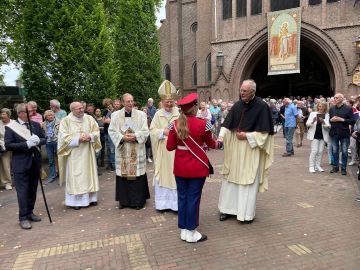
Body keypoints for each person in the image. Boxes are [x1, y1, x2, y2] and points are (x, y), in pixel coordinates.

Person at [217, 79, 274, 224]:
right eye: (241, 90)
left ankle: (245, 214)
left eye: (244, 91)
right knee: (230, 180)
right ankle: (226, 209)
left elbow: (265, 135)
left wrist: (247, 136)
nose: (241, 93)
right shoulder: (237, 105)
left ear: (253, 91)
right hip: (235, 150)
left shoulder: (262, 107)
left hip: (250, 149)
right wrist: (221, 137)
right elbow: (227, 124)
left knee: (247, 181)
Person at [167, 92, 220, 243]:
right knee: (193, 199)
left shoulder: (174, 125)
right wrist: (220, 143)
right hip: (197, 168)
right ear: (194, 108)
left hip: (180, 168)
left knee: (182, 197)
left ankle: (184, 230)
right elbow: (211, 144)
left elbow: (170, 147)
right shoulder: (204, 124)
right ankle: (192, 232)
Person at [4, 103, 46, 229]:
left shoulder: (36, 125)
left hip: (35, 162)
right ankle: (23, 217)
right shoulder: (11, 127)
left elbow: (44, 138)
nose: (32, 113)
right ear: (21, 113)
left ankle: (30, 212)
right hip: (21, 164)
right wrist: (26, 144)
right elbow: (8, 145)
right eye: (29, 111)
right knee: (23, 192)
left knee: (32, 190)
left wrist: (38, 141)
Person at [108, 93, 150, 210]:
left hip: (136, 149)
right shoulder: (115, 115)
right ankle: (124, 201)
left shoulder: (141, 115)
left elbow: (146, 131)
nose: (130, 103)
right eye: (128, 101)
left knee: (136, 175)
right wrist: (122, 138)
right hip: (123, 150)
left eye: (132, 101)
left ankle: (138, 201)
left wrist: (136, 136)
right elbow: (112, 130)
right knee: (124, 175)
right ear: (122, 102)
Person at [57, 102, 101, 210]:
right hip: (74, 153)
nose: (81, 110)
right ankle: (75, 202)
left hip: (87, 152)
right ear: (72, 110)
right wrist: (78, 139)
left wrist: (90, 136)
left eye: (82, 108)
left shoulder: (89, 118)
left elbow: (96, 131)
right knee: (76, 176)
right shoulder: (66, 121)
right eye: (78, 109)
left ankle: (91, 199)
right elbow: (63, 137)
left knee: (89, 174)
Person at [150, 80, 180, 212]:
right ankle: (162, 205)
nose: (169, 104)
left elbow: (185, 128)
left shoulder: (178, 113)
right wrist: (163, 132)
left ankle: (175, 205)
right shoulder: (158, 114)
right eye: (166, 102)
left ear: (174, 101)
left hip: (176, 152)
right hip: (163, 151)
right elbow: (152, 131)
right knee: (162, 175)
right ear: (162, 102)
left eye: (170, 101)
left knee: (175, 176)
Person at [329, 93, 355, 175]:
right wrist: (331, 120)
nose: (334, 99)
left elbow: (352, 121)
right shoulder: (331, 108)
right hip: (334, 132)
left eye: (336, 98)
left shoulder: (348, 109)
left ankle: (343, 168)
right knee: (335, 151)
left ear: (341, 99)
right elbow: (330, 120)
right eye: (334, 97)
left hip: (344, 133)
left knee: (344, 151)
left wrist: (342, 120)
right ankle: (335, 167)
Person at [306, 102, 330, 173]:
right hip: (314, 135)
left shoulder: (327, 115)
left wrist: (324, 123)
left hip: (323, 135)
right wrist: (313, 121)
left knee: (320, 151)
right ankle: (311, 166)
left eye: (322, 106)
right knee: (314, 151)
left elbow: (328, 126)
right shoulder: (313, 114)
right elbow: (307, 124)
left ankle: (318, 165)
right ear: (317, 107)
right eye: (319, 106)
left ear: (325, 107)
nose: (321, 108)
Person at [43, 110, 60, 184]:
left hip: (57, 142)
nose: (51, 116)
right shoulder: (43, 124)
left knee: (60, 159)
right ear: (46, 117)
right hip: (48, 143)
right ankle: (52, 175)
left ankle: (62, 174)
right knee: (51, 160)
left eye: (52, 115)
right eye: (49, 115)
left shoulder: (59, 122)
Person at [0, 108, 13, 190]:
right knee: (5, 165)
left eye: (3, 114)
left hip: (14, 145)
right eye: (1, 114)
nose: (1, 116)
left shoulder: (14, 123)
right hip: (3, 146)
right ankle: (7, 183)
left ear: (8, 115)